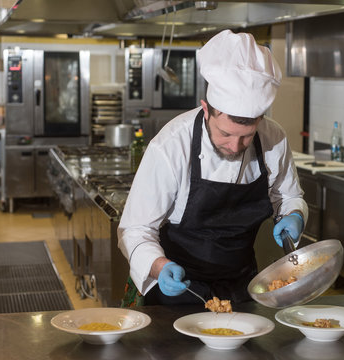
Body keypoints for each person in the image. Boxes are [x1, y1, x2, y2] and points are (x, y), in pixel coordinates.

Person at [118, 29, 308, 306]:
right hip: (179, 287)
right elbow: (135, 228)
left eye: (246, 136)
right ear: (206, 109)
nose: (235, 146)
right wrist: (158, 266)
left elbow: (289, 197)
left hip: (243, 285)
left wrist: (294, 215)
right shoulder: (171, 146)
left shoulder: (273, 137)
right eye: (225, 134)